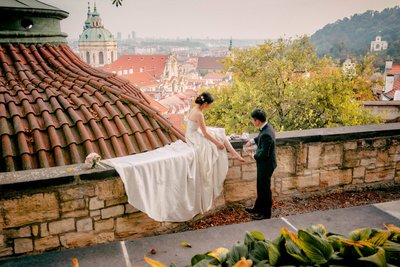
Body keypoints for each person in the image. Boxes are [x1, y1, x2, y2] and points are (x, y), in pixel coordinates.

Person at [186, 92, 245, 211]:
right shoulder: (199, 114)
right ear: (205, 103)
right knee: (218, 138)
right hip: (194, 137)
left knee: (220, 133)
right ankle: (235, 153)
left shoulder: (195, 109)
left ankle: (234, 153)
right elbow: (205, 133)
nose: (209, 107)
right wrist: (217, 144)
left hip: (191, 134)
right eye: (209, 105)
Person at [244, 109, 277, 220]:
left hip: (266, 165)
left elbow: (263, 154)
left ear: (257, 121)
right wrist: (252, 141)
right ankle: (257, 208)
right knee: (260, 186)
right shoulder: (267, 128)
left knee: (265, 189)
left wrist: (253, 156)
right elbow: (260, 137)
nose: (253, 122)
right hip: (265, 164)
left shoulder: (266, 134)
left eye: (254, 120)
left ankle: (266, 213)